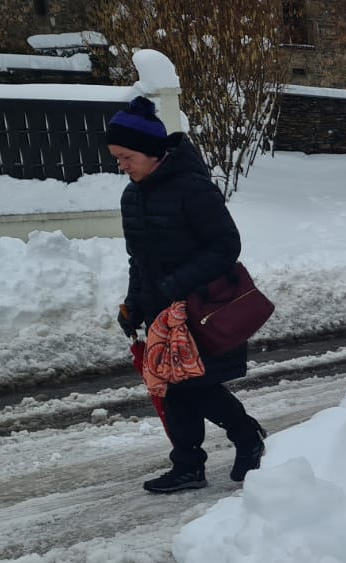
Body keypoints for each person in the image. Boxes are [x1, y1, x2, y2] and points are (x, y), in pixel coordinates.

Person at [107, 96, 266, 494]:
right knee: (171, 386)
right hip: (162, 311)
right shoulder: (132, 196)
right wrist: (135, 302)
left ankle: (247, 438)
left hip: (202, 307)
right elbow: (138, 259)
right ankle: (189, 465)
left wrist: (174, 286)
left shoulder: (193, 189)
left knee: (196, 385)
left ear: (152, 151)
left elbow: (225, 247)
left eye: (127, 157)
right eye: (117, 158)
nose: (122, 166)